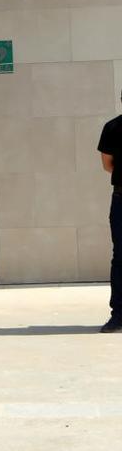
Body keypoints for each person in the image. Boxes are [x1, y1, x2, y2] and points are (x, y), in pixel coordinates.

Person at [97, 94, 122, 332]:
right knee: (121, 258)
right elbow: (107, 165)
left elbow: (109, 165)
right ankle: (119, 315)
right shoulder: (113, 128)